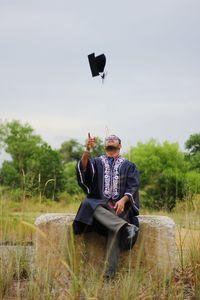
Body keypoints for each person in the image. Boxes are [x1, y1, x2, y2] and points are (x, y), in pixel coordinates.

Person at [73, 133, 139, 279]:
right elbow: (83, 172)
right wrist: (87, 150)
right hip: (99, 206)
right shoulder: (96, 162)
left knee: (115, 227)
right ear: (104, 146)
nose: (110, 139)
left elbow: (133, 186)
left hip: (119, 208)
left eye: (114, 139)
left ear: (120, 145)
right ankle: (124, 227)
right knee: (87, 203)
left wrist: (123, 200)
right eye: (108, 139)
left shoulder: (129, 166)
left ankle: (109, 275)